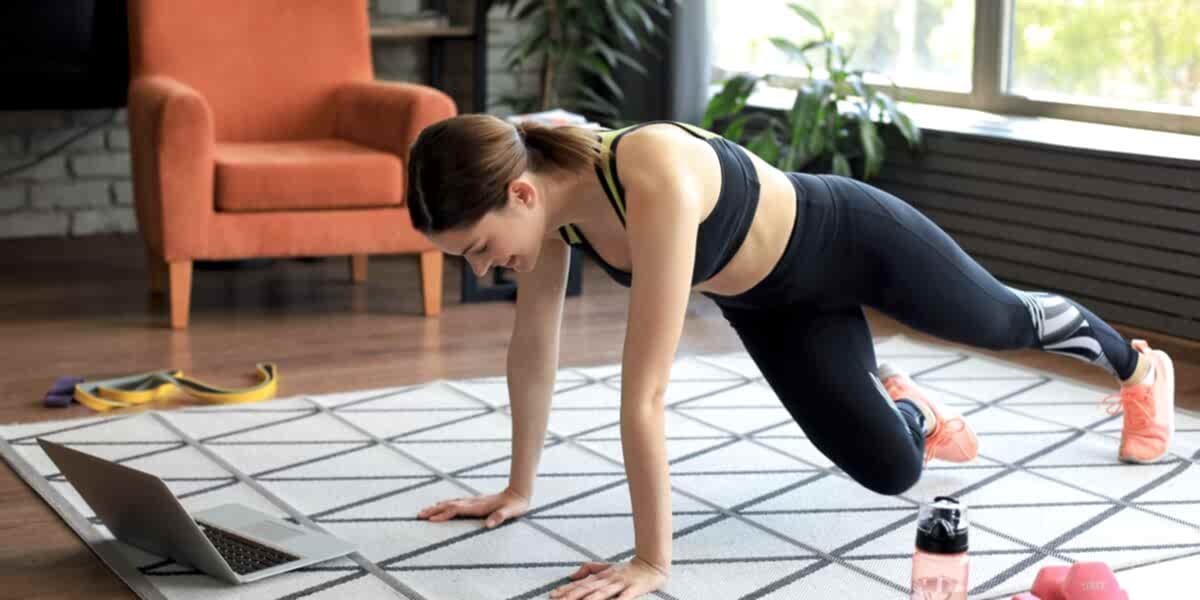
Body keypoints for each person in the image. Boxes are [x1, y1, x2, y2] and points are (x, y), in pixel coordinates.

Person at [407, 114, 1176, 600]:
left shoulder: (650, 174)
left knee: (999, 319)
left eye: (478, 249)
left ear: (522, 194)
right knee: (892, 472)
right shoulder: (538, 202)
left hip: (853, 241)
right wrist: (517, 487)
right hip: (772, 310)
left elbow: (643, 396)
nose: (482, 269)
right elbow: (532, 349)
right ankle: (913, 407)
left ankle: (1137, 368)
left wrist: (650, 562)